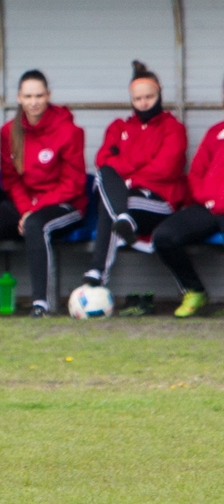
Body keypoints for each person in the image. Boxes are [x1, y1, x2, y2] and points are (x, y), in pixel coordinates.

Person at [0, 71, 87, 318]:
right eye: (28, 96)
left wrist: (35, 209)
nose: (34, 102)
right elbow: (11, 179)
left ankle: (40, 304)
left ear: (48, 96)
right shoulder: (9, 132)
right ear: (19, 98)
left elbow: (74, 183)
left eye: (39, 95)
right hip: (25, 205)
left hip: (66, 204)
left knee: (35, 225)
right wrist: (26, 209)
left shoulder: (69, 131)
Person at [75, 61, 189, 316]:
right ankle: (122, 219)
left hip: (159, 202)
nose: (144, 103)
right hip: (127, 202)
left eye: (149, 97)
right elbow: (103, 160)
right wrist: (130, 169)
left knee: (112, 201)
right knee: (104, 177)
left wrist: (126, 174)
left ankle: (97, 270)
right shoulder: (119, 127)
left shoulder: (174, 128)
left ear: (159, 94)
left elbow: (165, 170)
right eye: (138, 98)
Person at [151, 77, 224, 319]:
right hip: (208, 207)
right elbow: (196, 174)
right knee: (164, 237)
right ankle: (195, 291)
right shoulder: (216, 133)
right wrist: (208, 199)